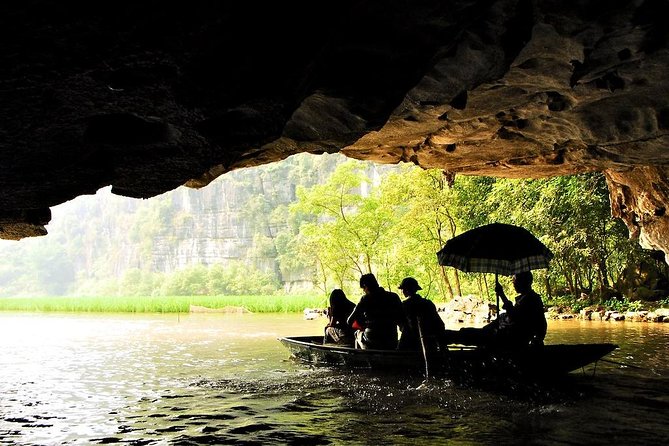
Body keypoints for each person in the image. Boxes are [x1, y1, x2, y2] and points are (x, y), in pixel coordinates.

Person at [445, 271, 547, 349]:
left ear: (524, 282)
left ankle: (442, 338)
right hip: (501, 333)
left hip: (507, 339)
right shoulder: (528, 299)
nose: (513, 282)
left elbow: (516, 317)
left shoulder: (531, 300)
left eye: (515, 279)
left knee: (469, 335)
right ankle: (444, 337)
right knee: (468, 333)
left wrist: (502, 295)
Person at [347, 273, 404, 350]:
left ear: (365, 286)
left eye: (363, 289)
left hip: (372, 340)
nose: (364, 291)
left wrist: (362, 327)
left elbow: (349, 320)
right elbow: (401, 319)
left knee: (357, 333)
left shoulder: (365, 299)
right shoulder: (394, 296)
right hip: (391, 340)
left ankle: (362, 358)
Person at [396, 277, 446, 352]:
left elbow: (403, 326)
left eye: (403, 289)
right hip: (430, 344)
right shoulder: (428, 303)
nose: (402, 291)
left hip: (412, 344)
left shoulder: (405, 305)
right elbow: (439, 324)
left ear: (406, 290)